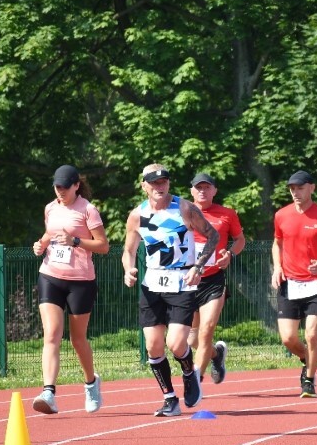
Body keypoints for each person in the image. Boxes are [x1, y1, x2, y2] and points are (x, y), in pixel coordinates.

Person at [122, 164, 219, 416]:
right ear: (143, 185)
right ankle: (169, 399)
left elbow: (213, 236)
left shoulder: (185, 208)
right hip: (152, 284)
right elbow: (129, 250)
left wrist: (198, 266)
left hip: (181, 282)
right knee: (153, 346)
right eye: (153, 183)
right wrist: (129, 269)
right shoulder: (137, 215)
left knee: (176, 344)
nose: (159, 187)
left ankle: (189, 372)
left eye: (163, 182)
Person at [30, 165, 110, 415]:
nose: (60, 191)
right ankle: (48, 392)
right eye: (57, 187)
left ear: (76, 185)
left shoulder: (88, 210)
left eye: (65, 187)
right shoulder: (50, 207)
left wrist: (75, 241)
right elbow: (49, 233)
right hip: (50, 275)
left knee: (77, 339)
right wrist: (40, 244)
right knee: (52, 333)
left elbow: (103, 246)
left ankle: (90, 382)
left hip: (80, 281)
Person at [272, 170, 317, 397]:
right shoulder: (281, 215)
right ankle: (306, 358)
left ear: (311, 188)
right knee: (288, 338)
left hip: (316, 283)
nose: (296, 192)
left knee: (312, 335)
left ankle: (309, 380)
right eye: (292, 189)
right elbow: (277, 243)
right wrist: (278, 267)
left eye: (300, 188)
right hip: (290, 282)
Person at [187, 172, 246, 384]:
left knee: (206, 330)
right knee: (191, 339)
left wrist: (230, 254)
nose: (202, 191)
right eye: (198, 187)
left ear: (214, 190)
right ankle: (216, 355)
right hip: (187, 280)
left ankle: (194, 381)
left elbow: (240, 239)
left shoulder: (227, 214)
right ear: (191, 191)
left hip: (213, 279)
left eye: (207, 187)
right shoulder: (182, 212)